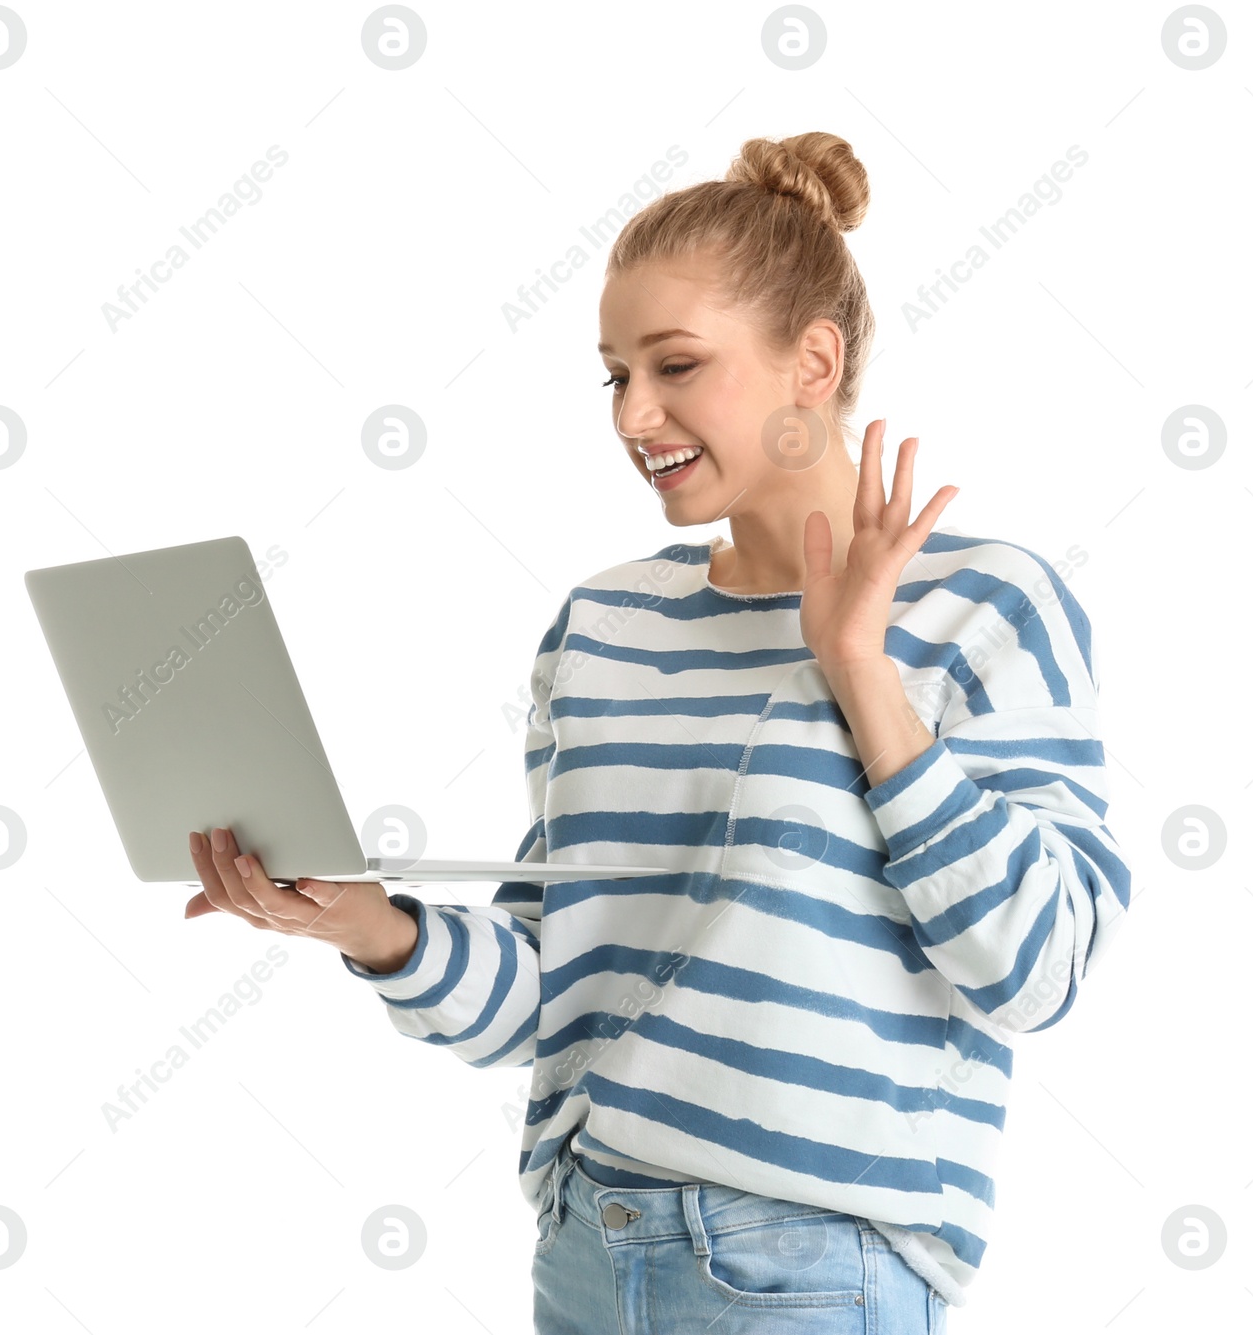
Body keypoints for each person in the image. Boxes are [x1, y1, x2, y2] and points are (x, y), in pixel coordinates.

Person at [182, 131, 1132, 1333]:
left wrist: (859, 671)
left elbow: (1038, 968)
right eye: (614, 375)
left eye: (676, 365)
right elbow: (557, 991)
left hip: (811, 1267)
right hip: (587, 1244)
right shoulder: (605, 624)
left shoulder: (983, 607)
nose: (636, 414)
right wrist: (371, 928)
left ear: (813, 360)